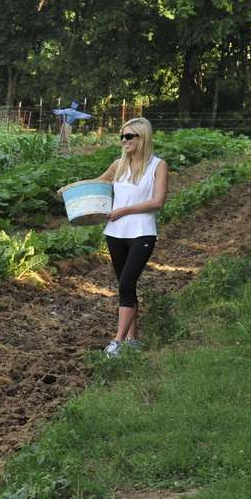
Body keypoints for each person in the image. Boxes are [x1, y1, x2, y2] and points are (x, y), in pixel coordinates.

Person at [62, 117, 168, 356]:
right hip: (115, 233)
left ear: (143, 137)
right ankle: (133, 340)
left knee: (126, 283)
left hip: (142, 231)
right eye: (122, 136)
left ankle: (117, 343)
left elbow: (158, 201)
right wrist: (70, 191)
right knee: (126, 286)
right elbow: (97, 184)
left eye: (129, 136)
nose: (124, 140)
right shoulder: (117, 165)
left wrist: (123, 210)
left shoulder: (157, 166)